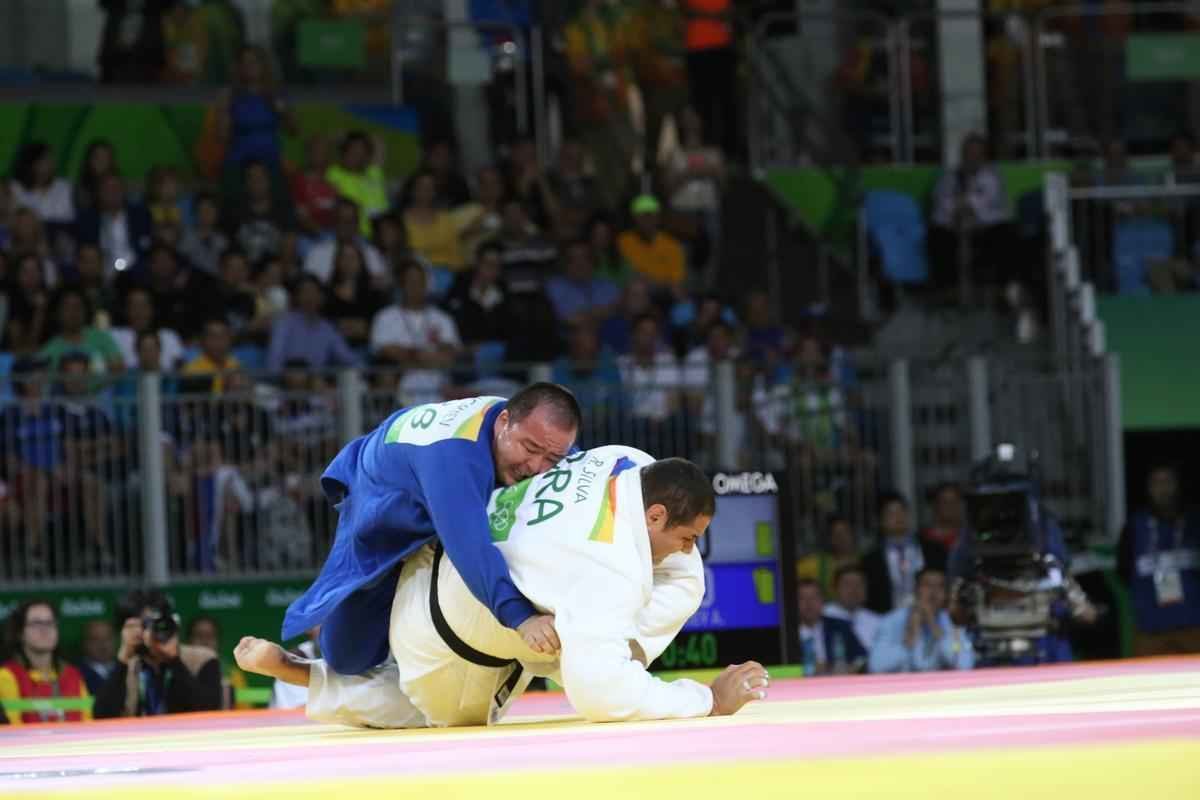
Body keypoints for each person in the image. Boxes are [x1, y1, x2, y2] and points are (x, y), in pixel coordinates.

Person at [237, 450, 770, 726]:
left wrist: (629, 643)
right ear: (653, 515)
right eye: (684, 537)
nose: (686, 551)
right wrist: (707, 700)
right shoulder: (608, 568)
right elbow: (601, 696)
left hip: (431, 560)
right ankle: (304, 673)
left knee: (612, 618)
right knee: (430, 714)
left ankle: (620, 645)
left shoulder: (620, 459)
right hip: (442, 643)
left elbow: (681, 575)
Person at [281, 383, 583, 677]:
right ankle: (321, 640)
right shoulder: (454, 455)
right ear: (504, 421)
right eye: (529, 449)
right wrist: (522, 618)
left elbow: (576, 471)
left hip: (439, 484)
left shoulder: (534, 432)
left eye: (552, 458)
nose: (536, 466)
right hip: (383, 505)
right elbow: (470, 548)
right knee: (347, 657)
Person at [93, 590, 223, 718]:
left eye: (157, 623)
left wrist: (174, 660)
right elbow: (102, 716)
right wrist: (123, 658)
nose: (151, 631)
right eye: (144, 625)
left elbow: (209, 710)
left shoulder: (203, 659)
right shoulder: (126, 666)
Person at [1117, 464, 1200, 656]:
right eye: (1156, 483)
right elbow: (1124, 571)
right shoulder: (1134, 526)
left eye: (1168, 481)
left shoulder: (1195, 523)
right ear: (1148, 488)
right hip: (1151, 631)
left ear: (1179, 485)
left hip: (1194, 629)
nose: (1163, 489)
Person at [868, 568, 975, 674]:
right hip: (903, 682)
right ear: (916, 590)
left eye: (940, 586)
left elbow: (965, 664)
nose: (933, 592)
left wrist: (935, 627)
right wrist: (908, 642)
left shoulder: (952, 621)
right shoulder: (892, 621)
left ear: (945, 594)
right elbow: (876, 666)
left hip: (938, 683)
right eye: (927, 585)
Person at [0, 600, 91, 723]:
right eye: (36, 623)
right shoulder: (7, 675)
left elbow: (88, 723)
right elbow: (11, 728)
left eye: (50, 623)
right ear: (20, 633)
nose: (45, 629)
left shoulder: (73, 675)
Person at [862, 492, 948, 614]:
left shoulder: (933, 550)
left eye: (902, 512)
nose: (898, 517)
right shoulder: (871, 560)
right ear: (880, 520)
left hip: (929, 615)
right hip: (887, 618)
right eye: (891, 513)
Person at [266, 275, 362, 373]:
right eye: (305, 292)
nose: (309, 296)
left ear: (321, 297)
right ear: (296, 296)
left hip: (317, 380)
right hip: (287, 378)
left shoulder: (327, 328)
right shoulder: (284, 323)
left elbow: (348, 357)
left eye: (313, 292)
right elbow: (274, 361)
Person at [792, 579, 867, 676]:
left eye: (814, 597)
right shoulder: (786, 634)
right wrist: (809, 669)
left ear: (823, 601)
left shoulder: (840, 626)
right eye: (802, 598)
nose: (809, 603)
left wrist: (850, 668)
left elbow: (862, 657)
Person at [617, 195, 686, 290]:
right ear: (634, 218)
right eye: (642, 216)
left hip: (663, 293)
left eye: (650, 215)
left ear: (658, 218)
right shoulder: (623, 241)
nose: (646, 220)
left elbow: (677, 283)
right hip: (632, 291)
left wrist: (653, 282)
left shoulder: (672, 245)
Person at [327, 131, 389, 235]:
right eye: (352, 149)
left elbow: (379, 142)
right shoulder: (334, 173)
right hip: (353, 235)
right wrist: (344, 137)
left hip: (380, 234)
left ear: (367, 156)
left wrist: (358, 138)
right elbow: (323, 145)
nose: (356, 154)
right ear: (343, 152)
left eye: (361, 150)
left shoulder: (374, 174)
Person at [823, 565, 881, 654]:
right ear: (834, 588)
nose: (854, 590)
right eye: (847, 584)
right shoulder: (822, 616)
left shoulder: (878, 621)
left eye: (859, 584)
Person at [77, 619, 118, 696]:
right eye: (95, 639)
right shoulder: (75, 674)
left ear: (115, 640)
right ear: (85, 643)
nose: (102, 645)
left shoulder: (127, 669)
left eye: (108, 638)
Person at [922, 482, 967, 551]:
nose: (949, 507)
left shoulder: (968, 537)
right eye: (944, 502)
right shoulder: (921, 539)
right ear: (935, 505)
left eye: (954, 502)